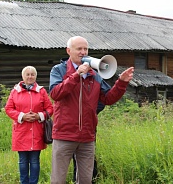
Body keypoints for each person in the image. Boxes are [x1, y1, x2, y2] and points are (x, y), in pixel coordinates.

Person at [49, 36, 134, 184]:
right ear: (69, 51)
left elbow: (108, 99)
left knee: (86, 180)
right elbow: (55, 93)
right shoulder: (59, 70)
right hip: (64, 134)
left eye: (85, 49)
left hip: (87, 137)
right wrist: (76, 75)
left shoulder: (94, 75)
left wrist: (121, 83)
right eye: (79, 49)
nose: (83, 52)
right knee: (58, 180)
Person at [5, 66, 53, 184]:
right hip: (21, 130)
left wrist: (39, 116)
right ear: (23, 76)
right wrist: (22, 116)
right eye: (27, 74)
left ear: (36, 76)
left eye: (32, 74)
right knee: (22, 160)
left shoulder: (41, 91)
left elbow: (50, 108)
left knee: (35, 160)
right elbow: (9, 108)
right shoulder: (15, 91)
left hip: (36, 130)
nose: (30, 76)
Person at [72, 102, 105, 184]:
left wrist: (88, 112)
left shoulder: (94, 89)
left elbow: (103, 101)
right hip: (73, 126)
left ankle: (93, 179)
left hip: (88, 126)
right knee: (75, 156)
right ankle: (76, 179)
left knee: (88, 156)